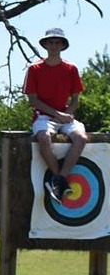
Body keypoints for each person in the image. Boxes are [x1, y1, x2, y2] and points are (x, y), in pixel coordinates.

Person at [25, 26, 86, 200]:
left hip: (65, 115)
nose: (53, 45)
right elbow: (33, 100)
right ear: (45, 45)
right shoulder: (34, 69)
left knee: (81, 138)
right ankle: (58, 178)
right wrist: (57, 114)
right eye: (50, 42)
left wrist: (66, 114)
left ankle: (60, 178)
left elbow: (76, 100)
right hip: (43, 116)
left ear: (62, 45)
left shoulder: (71, 68)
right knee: (44, 138)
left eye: (57, 42)